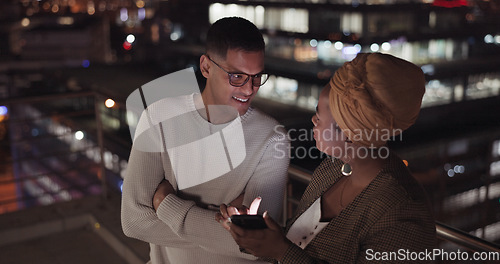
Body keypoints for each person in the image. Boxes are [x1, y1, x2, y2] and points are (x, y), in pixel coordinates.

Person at [217, 53, 436, 263]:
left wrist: (280, 250)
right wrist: (261, 236)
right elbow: (299, 248)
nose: (313, 120)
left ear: (351, 132)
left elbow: (288, 254)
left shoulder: (400, 212)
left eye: (320, 116)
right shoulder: (332, 169)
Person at [121, 17, 290, 264]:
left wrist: (165, 204)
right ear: (206, 67)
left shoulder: (272, 137)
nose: (249, 89)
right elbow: (134, 222)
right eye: (237, 76)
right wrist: (223, 228)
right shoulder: (159, 117)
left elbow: (258, 244)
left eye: (257, 77)